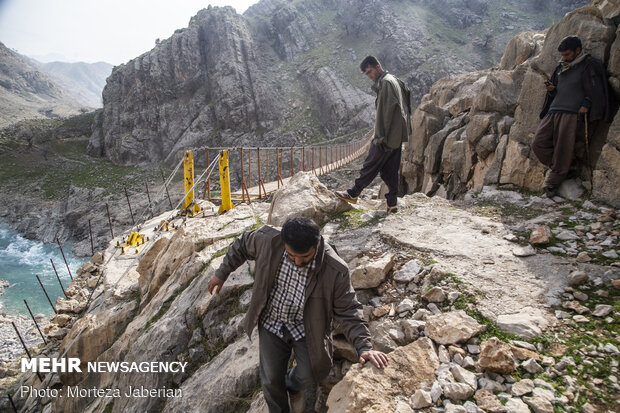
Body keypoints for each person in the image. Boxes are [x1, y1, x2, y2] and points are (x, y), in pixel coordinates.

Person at [208, 217, 388, 413]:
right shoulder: (268, 239)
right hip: (272, 321)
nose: (298, 262)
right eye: (292, 256)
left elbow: (349, 310)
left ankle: (292, 385)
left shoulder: (335, 269)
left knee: (312, 373)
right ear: (284, 243)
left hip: (306, 327)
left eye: (305, 256)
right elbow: (242, 244)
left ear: (318, 243)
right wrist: (222, 273)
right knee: (270, 381)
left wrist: (364, 347)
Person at [531, 35, 610, 198]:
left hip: (571, 114)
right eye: (562, 55)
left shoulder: (588, 65)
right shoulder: (561, 68)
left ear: (578, 50)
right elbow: (557, 91)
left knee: (562, 147)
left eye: (567, 54)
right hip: (553, 111)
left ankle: (552, 183)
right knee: (538, 143)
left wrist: (587, 104)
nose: (564, 57)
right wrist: (552, 89)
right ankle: (566, 167)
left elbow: (595, 88)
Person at [335, 55, 412, 213]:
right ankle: (392, 203)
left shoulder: (386, 83)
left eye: (370, 71)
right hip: (396, 136)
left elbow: (387, 113)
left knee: (370, 165)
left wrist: (380, 137)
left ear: (378, 67)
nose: (369, 76)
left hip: (386, 137)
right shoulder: (394, 79)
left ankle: (353, 193)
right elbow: (406, 98)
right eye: (367, 74)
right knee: (390, 170)